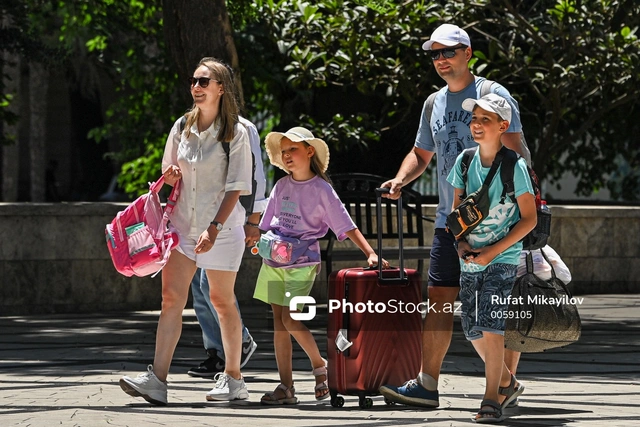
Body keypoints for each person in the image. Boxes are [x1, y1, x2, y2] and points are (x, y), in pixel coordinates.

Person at [379, 23, 530, 408]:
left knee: (496, 306)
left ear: (468, 53)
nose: (441, 60)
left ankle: (499, 386)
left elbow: (518, 153)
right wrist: (400, 179)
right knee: (440, 300)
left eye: (448, 52)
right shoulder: (434, 103)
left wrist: (517, 210)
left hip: (498, 226)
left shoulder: (492, 95)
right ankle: (429, 384)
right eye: (434, 54)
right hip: (454, 222)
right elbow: (421, 154)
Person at [119, 57, 253, 405]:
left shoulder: (236, 133)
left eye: (204, 81)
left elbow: (236, 188)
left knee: (222, 302)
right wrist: (170, 174)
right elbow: (168, 166)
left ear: (221, 87)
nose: (196, 87)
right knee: (170, 300)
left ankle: (234, 379)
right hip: (181, 228)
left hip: (221, 229)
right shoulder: (181, 126)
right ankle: (157, 380)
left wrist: (214, 227)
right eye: (194, 81)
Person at [254, 126, 388, 404]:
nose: (288, 155)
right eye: (284, 151)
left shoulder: (322, 190)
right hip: (273, 261)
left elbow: (345, 224)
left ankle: (320, 368)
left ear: (309, 151)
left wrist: (370, 253)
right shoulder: (280, 186)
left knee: (291, 319)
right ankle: (286, 388)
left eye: (294, 149)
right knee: (279, 325)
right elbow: (265, 225)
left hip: (302, 262)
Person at [447, 93, 536, 422]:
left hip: (502, 256)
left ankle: (491, 400)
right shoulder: (465, 162)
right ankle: (507, 382)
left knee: (491, 323)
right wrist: (461, 246)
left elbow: (529, 219)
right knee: (471, 328)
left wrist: (492, 252)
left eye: (486, 119)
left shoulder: (515, 166)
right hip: (469, 258)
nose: (477, 124)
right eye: (474, 119)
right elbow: (456, 214)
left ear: (503, 126)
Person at [187, 113, 267, 378]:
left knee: (212, 287)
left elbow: (256, 177)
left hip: (230, 219)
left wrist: (254, 220)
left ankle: (238, 344)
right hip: (199, 219)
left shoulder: (242, 128)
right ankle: (216, 352)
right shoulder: (193, 126)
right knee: (199, 288)